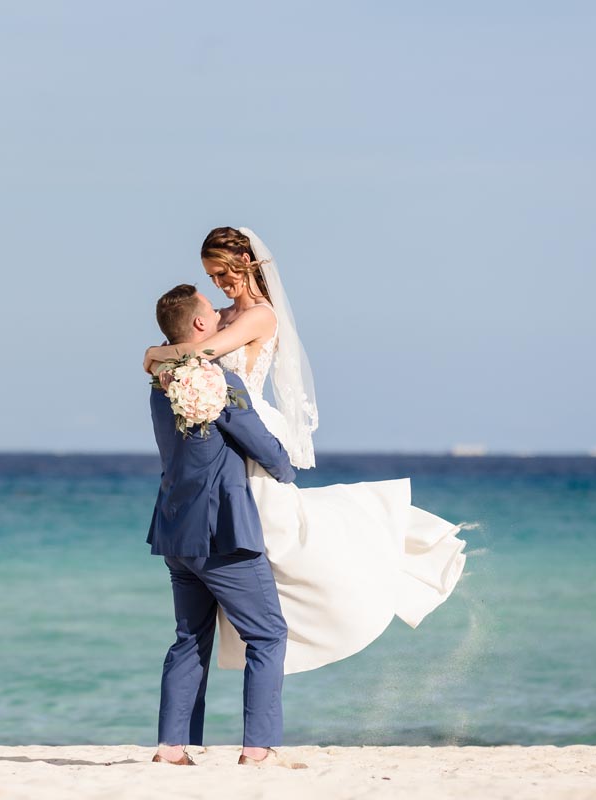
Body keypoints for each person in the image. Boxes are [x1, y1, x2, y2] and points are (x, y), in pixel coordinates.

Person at [144, 228, 467, 675]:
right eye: (210, 276)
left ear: (245, 260)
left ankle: (374, 574)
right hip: (223, 438)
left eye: (221, 272)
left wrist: (153, 352)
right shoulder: (218, 314)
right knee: (251, 543)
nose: (219, 283)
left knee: (282, 542)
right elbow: (190, 346)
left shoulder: (260, 316)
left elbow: (199, 353)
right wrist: (163, 352)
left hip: (249, 428)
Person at [147, 284, 299, 767]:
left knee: (190, 638)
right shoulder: (216, 384)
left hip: (174, 528)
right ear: (197, 325)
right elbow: (264, 446)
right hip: (222, 528)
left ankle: (172, 748)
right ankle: (257, 749)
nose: (221, 314)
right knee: (268, 634)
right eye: (212, 310)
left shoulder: (160, 386)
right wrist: (287, 472)